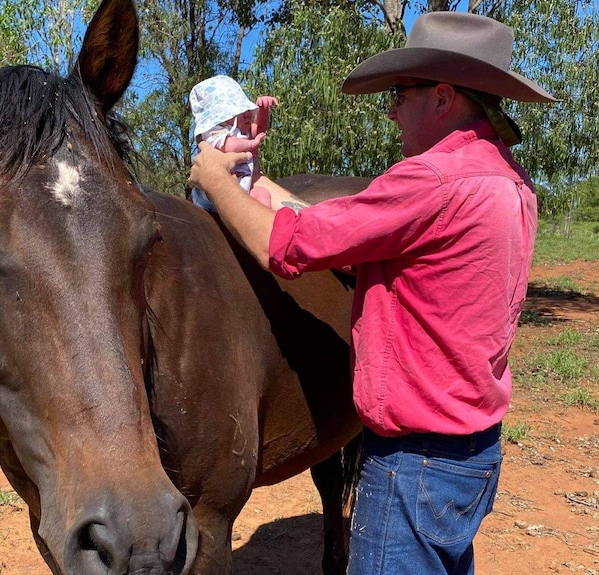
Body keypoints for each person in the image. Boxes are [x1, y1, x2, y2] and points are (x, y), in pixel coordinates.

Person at [188, 12, 557, 575]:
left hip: (413, 463)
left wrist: (214, 178)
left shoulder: (430, 181)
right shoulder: (506, 179)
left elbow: (287, 249)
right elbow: (343, 227)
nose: (390, 109)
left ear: (441, 97)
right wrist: (256, 180)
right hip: (473, 452)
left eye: (399, 94)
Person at [188, 75, 278, 211]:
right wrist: (251, 144)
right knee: (229, 180)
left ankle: (258, 222)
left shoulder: (244, 131)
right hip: (213, 193)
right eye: (239, 111)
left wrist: (263, 110)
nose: (247, 114)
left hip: (244, 189)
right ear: (221, 117)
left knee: (262, 194)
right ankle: (235, 213)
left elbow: (260, 128)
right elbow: (230, 146)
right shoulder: (214, 133)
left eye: (248, 110)